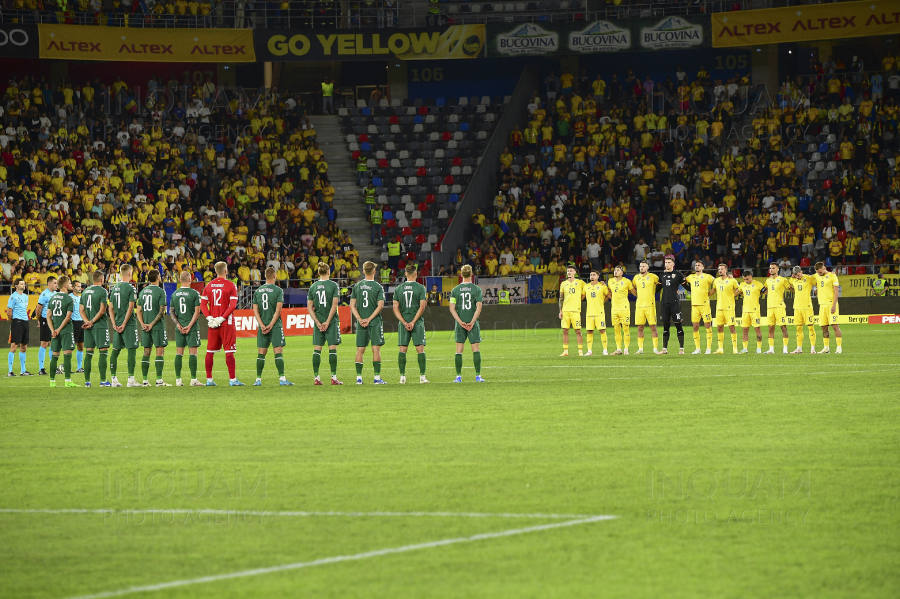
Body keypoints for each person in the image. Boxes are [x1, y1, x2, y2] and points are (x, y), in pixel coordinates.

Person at [201, 261, 243, 386]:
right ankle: (233, 380)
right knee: (229, 351)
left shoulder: (208, 286)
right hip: (226, 323)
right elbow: (233, 305)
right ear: (225, 271)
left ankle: (209, 380)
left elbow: (203, 304)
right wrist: (222, 318)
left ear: (215, 272)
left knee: (210, 351)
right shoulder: (231, 285)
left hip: (213, 323)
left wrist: (210, 318)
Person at [252, 266, 294, 387]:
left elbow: (255, 310)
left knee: (261, 353)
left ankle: (258, 379)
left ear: (265, 276)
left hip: (262, 325)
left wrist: (262, 325)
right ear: (275, 276)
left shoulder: (258, 291)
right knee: (278, 351)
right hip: (275, 326)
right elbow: (278, 310)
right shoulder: (278, 290)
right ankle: (282, 379)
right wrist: (270, 325)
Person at [350, 261, 386, 385]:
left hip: (361, 322)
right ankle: (377, 378)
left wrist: (360, 319)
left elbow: (352, 305)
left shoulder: (356, 286)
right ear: (374, 272)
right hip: (374, 321)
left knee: (360, 350)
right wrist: (369, 319)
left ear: (363, 271)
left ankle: (359, 378)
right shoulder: (378, 287)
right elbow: (380, 306)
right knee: (376, 350)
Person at [393, 263, 429, 384]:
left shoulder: (398, 289)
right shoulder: (420, 288)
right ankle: (422, 377)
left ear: (405, 274)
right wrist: (413, 322)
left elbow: (395, 308)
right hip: (417, 323)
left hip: (403, 323)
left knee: (402, 349)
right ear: (416, 274)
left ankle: (402, 377)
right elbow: (422, 307)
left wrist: (404, 322)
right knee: (420, 349)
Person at [308, 262, 343, 385]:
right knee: (332, 348)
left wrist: (317, 322)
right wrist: (327, 322)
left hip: (319, 321)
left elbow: (309, 307)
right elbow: (334, 305)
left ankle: (316, 378)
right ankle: (333, 378)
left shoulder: (313, 287)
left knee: (317, 349)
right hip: (331, 321)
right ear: (329, 272)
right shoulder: (333, 285)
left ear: (318, 273)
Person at [449, 265, 485, 382]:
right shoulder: (477, 289)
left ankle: (458, 376)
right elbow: (479, 307)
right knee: (476, 349)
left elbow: (451, 308)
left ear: (461, 275)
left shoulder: (455, 290)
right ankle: (478, 376)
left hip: (460, 324)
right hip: (473, 323)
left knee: (459, 350)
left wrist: (460, 322)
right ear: (471, 274)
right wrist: (472, 322)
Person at [135, 271, 170, 387]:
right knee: (160, 351)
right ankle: (159, 380)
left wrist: (143, 323)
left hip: (145, 326)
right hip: (157, 326)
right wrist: (151, 324)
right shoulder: (161, 291)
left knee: (146, 351)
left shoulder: (143, 291)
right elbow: (162, 311)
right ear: (158, 277)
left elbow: (138, 310)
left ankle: (145, 381)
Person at [170, 270, 204, 387]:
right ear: (190, 280)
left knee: (179, 353)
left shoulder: (174, 294)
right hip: (192, 328)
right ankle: (193, 380)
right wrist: (189, 326)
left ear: (180, 280)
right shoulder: (195, 293)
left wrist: (178, 325)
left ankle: (178, 380)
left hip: (179, 327)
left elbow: (171, 311)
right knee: (193, 353)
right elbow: (197, 312)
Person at [109, 264, 140, 388]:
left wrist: (114, 324)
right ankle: (131, 380)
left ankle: (114, 379)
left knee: (115, 351)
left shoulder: (115, 287)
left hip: (117, 323)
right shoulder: (131, 288)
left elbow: (110, 308)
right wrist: (124, 324)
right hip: (129, 324)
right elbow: (131, 307)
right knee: (131, 350)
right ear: (129, 273)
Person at [46, 276, 79, 388]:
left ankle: (52, 381)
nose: (71, 285)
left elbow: (48, 316)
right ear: (65, 285)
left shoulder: (53, 298)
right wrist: (59, 329)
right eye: (70, 283)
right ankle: (68, 381)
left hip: (54, 331)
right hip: (65, 330)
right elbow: (68, 317)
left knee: (55, 355)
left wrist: (53, 330)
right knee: (67, 355)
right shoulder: (69, 299)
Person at [80, 271, 111, 388]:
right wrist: (92, 321)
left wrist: (87, 321)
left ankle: (87, 381)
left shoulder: (85, 291)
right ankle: (103, 381)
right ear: (102, 279)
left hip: (88, 326)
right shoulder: (103, 291)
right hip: (100, 325)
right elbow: (103, 310)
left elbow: (81, 310)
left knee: (89, 353)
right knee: (103, 352)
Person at [685, 260, 715, 354]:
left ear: (703, 267)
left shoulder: (708, 277)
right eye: (696, 265)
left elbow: (717, 283)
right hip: (694, 305)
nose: (697, 266)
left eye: (699, 265)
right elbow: (682, 281)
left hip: (704, 305)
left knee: (707, 326)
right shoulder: (691, 277)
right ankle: (697, 349)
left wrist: (709, 294)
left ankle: (708, 348)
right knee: (695, 327)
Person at [786, 265, 817, 354]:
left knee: (810, 327)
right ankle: (799, 348)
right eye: (795, 275)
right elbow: (791, 287)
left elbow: (818, 281)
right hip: (797, 307)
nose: (797, 276)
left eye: (798, 274)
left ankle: (813, 348)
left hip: (807, 307)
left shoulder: (808, 278)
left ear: (801, 272)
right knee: (798, 328)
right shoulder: (792, 280)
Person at [813, 261, 843, 353]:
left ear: (824, 268)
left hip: (831, 305)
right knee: (824, 327)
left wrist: (834, 305)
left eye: (820, 271)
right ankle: (826, 348)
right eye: (817, 272)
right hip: (822, 305)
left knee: (835, 326)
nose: (819, 273)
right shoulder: (817, 276)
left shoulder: (832, 276)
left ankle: (839, 347)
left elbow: (836, 292)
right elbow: (806, 277)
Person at [658, 256, 686, 355]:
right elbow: (656, 289)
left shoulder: (678, 275)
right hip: (665, 303)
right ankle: (664, 349)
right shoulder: (661, 275)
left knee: (678, 325)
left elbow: (687, 286)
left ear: (673, 264)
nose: (667, 264)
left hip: (675, 304)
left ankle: (681, 348)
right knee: (665, 327)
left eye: (669, 262)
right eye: (666, 262)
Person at [633, 260, 660, 355]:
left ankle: (655, 348)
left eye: (644, 266)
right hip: (639, 306)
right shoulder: (636, 277)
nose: (642, 268)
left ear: (648, 267)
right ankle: (640, 349)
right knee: (640, 327)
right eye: (640, 266)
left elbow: (661, 285)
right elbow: (633, 288)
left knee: (653, 327)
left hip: (650, 305)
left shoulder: (654, 277)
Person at [7, 278, 33, 376]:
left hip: (25, 321)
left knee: (24, 346)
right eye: (22, 284)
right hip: (16, 322)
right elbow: (9, 312)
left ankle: (23, 370)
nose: (24, 285)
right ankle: (10, 371)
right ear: (16, 286)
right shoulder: (13, 297)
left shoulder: (26, 297)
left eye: (24, 284)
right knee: (14, 345)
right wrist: (13, 321)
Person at [712, 263, 740, 354]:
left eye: (722, 269)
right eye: (719, 269)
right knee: (719, 327)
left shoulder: (732, 280)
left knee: (731, 327)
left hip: (729, 308)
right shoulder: (716, 281)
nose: (720, 270)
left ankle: (735, 349)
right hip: (719, 307)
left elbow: (739, 289)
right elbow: (713, 290)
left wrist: (732, 296)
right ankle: (720, 349)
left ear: (726, 270)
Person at [558, 265, 585, 356]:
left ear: (575, 272)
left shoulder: (580, 282)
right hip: (565, 311)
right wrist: (560, 311)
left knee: (578, 331)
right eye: (568, 271)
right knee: (565, 331)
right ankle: (565, 351)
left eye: (571, 271)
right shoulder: (563, 283)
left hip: (575, 310)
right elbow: (561, 298)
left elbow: (587, 290)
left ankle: (580, 351)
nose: (569, 272)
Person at [763, 262, 790, 354]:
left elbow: (790, 288)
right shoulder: (768, 280)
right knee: (770, 328)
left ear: (778, 269)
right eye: (770, 268)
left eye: (773, 268)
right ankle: (771, 349)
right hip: (770, 307)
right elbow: (764, 290)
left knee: (783, 327)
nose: (771, 270)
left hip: (779, 307)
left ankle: (785, 349)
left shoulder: (783, 280)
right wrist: (770, 294)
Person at [608, 265, 635, 355]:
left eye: (618, 270)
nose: (615, 271)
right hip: (614, 308)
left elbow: (633, 291)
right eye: (615, 270)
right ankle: (619, 349)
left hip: (624, 308)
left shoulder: (627, 281)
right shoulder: (610, 281)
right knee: (616, 329)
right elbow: (609, 292)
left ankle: (626, 349)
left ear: (622, 272)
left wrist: (641, 298)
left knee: (626, 328)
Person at [35, 276, 58, 375]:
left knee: (53, 343)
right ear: (49, 284)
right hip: (45, 320)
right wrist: (39, 320)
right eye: (54, 283)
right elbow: (38, 309)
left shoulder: (57, 294)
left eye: (56, 283)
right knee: (44, 343)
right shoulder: (44, 294)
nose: (56, 285)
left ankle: (53, 367)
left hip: (54, 320)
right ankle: (41, 369)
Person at [738, 270, 765, 354]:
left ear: (751, 277)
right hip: (745, 311)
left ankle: (759, 349)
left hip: (755, 311)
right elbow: (737, 292)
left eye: (747, 279)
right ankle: (745, 348)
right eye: (744, 279)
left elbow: (766, 292)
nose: (746, 281)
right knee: (745, 330)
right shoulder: (742, 285)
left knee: (757, 329)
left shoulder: (758, 284)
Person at [583, 270, 610, 356]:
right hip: (589, 312)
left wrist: (602, 301)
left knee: (602, 330)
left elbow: (609, 295)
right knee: (589, 331)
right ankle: (589, 351)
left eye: (594, 275)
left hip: (599, 312)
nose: (592, 276)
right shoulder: (586, 286)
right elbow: (582, 297)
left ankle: (605, 350)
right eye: (591, 274)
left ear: (598, 276)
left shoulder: (602, 286)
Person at [69, 281, 85, 373]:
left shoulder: (82, 297)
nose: (80, 288)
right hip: (73, 322)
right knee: (71, 346)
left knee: (81, 345)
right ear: (74, 288)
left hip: (81, 322)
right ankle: (68, 366)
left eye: (80, 286)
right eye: (78, 286)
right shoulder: (70, 297)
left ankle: (79, 367)